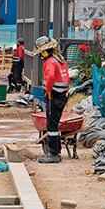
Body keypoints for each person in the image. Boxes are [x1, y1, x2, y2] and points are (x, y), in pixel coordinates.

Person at [35, 36, 70, 164]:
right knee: (55, 123)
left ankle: (53, 154)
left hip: (53, 96)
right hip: (62, 96)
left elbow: (49, 77)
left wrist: (47, 90)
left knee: (51, 125)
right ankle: (56, 151)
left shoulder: (49, 62)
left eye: (41, 52)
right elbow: (67, 78)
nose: (41, 55)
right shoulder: (61, 60)